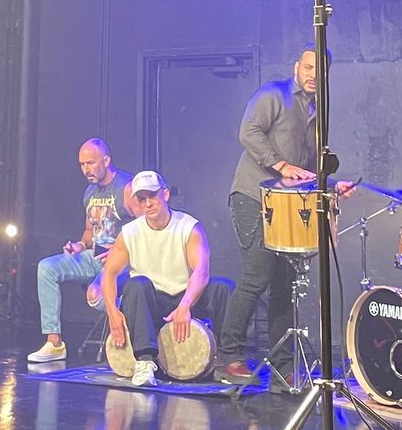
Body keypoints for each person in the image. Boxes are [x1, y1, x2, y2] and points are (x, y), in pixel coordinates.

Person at [214, 49, 353, 385]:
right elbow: (248, 132)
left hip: (286, 204)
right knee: (256, 276)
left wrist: (331, 186)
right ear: (296, 67)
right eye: (307, 67)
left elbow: (306, 168)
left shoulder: (318, 110)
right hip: (252, 197)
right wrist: (279, 164)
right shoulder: (272, 94)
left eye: (319, 70)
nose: (312, 74)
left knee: (284, 285)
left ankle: (282, 364)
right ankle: (228, 356)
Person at [100, 171, 232, 388]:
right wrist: (112, 312)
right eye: (142, 199)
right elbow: (109, 274)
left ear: (166, 194)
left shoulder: (188, 227)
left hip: (186, 298)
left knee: (223, 288)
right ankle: (145, 362)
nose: (148, 204)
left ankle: (224, 361)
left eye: (152, 196)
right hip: (151, 304)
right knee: (136, 285)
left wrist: (185, 305)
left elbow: (201, 271)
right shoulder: (130, 233)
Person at [26, 138, 138, 364]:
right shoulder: (89, 192)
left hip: (122, 261)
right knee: (47, 268)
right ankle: (54, 343)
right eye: (82, 165)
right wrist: (79, 245)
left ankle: (136, 320)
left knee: (95, 296)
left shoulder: (126, 188)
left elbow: (146, 230)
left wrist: (122, 252)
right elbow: (89, 231)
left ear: (106, 161)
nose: (86, 169)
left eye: (90, 163)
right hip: (94, 257)